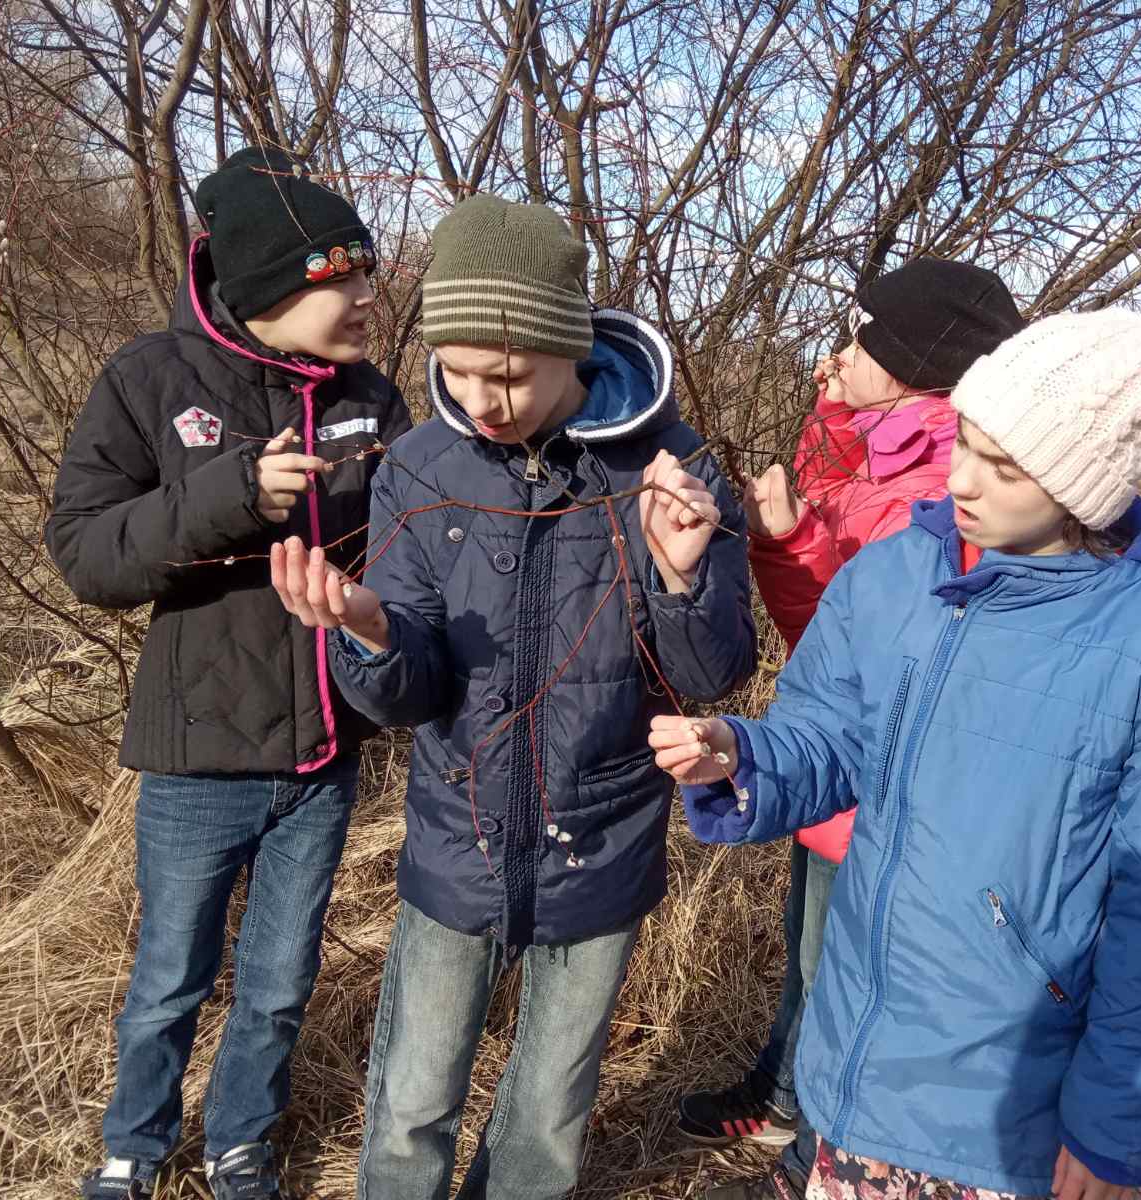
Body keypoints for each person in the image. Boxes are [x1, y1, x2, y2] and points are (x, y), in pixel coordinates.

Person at [651, 273, 1141, 1200]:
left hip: (1002, 1106)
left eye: (1004, 466)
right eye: (965, 440)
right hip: (857, 1060)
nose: (961, 479)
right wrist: (742, 753)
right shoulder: (896, 576)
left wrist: (1114, 1127)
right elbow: (830, 738)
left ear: (1080, 485)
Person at [269, 194, 757, 1200]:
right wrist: (368, 627)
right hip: (459, 836)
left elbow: (713, 676)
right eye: (456, 372)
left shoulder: (671, 466)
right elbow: (409, 694)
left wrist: (680, 576)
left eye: (508, 376)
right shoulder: (421, 467)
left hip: (602, 838)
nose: (482, 400)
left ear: (568, 348)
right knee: (411, 1097)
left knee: (548, 1111)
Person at [46, 146, 412, 1200]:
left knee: (279, 983)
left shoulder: (371, 399)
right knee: (170, 979)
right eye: (341, 277)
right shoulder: (149, 380)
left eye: (368, 272)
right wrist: (229, 495)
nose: (366, 297)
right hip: (197, 755)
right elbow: (85, 553)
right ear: (268, 289)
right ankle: (133, 1149)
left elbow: (418, 551)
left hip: (322, 756)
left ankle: (240, 1144)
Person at [677, 262, 1025, 1197]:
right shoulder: (883, 453)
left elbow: (859, 650)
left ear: (910, 364)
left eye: (861, 339)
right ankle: (783, 1094)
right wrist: (824, 441)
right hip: (833, 771)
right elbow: (836, 638)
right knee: (811, 957)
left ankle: (810, 1152)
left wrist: (788, 541)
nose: (837, 355)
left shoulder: (940, 488)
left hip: (875, 785)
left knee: (844, 975)